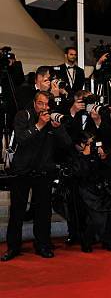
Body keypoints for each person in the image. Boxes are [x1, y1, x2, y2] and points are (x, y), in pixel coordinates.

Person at [1, 91, 72, 261]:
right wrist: (39, 125)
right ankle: (13, 247)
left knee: (44, 212)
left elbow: (67, 144)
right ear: (34, 103)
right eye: (41, 103)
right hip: (22, 171)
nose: (44, 108)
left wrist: (58, 129)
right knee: (17, 211)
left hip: (44, 171)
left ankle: (43, 244)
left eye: (47, 104)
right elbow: (21, 138)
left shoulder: (52, 120)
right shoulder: (23, 116)